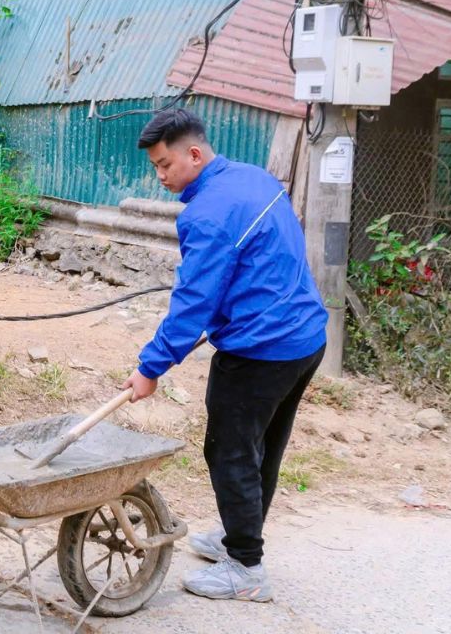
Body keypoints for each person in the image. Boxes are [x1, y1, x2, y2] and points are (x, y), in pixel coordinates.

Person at [120, 109, 328, 602]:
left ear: (194, 153)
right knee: (262, 446)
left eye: (165, 164)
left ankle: (247, 570)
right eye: (155, 166)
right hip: (305, 339)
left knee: (230, 450)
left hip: (260, 351)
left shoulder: (208, 213)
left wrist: (150, 368)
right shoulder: (254, 178)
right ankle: (241, 538)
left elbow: (193, 301)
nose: (160, 175)